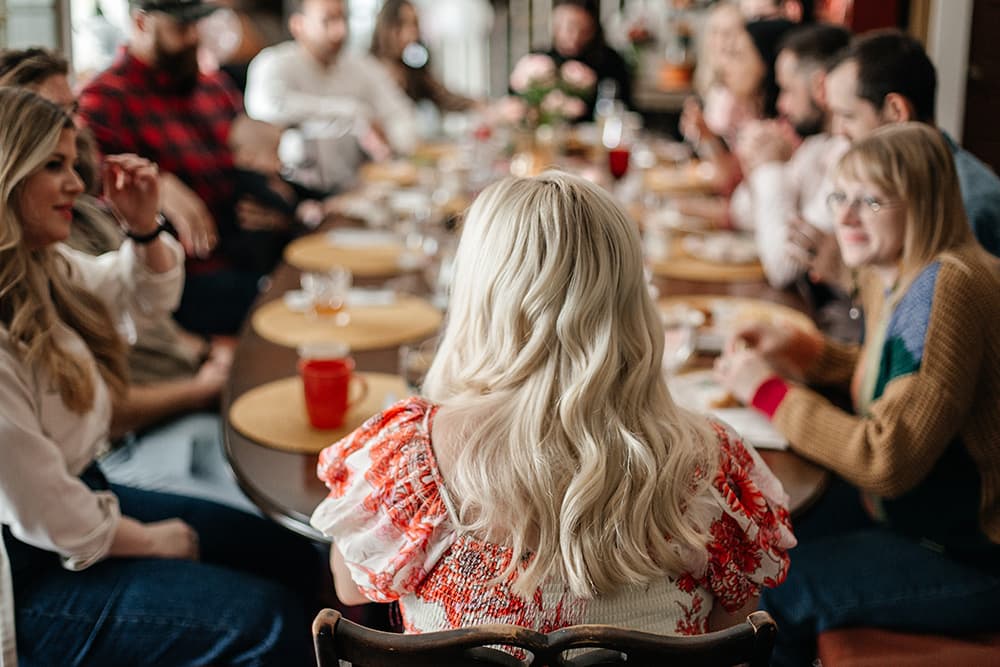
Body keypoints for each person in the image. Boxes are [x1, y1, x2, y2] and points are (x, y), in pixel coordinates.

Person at [309, 171, 795, 635]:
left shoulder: (412, 458)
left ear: (481, 295)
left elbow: (350, 586)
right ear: (628, 298)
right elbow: (731, 630)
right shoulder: (713, 463)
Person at [0, 88, 320, 666]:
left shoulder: (42, 266)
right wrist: (152, 540)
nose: (76, 183)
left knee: (290, 551)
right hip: (30, 576)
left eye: (75, 163)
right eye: (54, 165)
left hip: (85, 492)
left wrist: (144, 227)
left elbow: (139, 298)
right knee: (266, 621)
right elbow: (46, 513)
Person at [714, 123, 1000, 666]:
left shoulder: (952, 283)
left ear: (924, 203)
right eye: (839, 195)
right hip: (914, 518)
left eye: (871, 200)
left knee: (772, 594)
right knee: (755, 538)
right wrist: (804, 352)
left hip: (972, 554)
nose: (844, 216)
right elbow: (907, 385)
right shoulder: (898, 273)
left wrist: (770, 392)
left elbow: (887, 456)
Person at [0, 46, 256, 513]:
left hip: (155, 410)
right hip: (120, 452)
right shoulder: (41, 242)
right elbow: (95, 417)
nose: (75, 129)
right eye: (52, 116)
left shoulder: (60, 237)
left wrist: (145, 229)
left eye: (73, 111)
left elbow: (140, 298)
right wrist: (202, 387)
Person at [77, 0, 297, 336]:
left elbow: (254, 165)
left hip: (250, 252)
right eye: (181, 28)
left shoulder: (215, 88)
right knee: (298, 308)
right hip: (183, 279)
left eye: (197, 25)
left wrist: (278, 208)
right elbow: (85, 187)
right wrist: (156, 184)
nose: (195, 37)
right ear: (141, 24)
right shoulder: (103, 100)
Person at [803, 29, 1000, 270]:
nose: (838, 132)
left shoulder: (969, 203)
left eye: (848, 116)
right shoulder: (888, 180)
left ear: (896, 111)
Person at [244, 0, 419, 188]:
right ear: (298, 25)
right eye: (328, 20)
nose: (341, 31)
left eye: (343, 19)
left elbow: (402, 114)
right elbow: (266, 109)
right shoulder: (273, 63)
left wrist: (392, 141)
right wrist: (354, 112)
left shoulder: (361, 66)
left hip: (355, 189)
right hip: (295, 193)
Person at [728, 23, 851, 289]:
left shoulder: (846, 155)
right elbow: (742, 215)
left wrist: (770, 169)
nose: (782, 104)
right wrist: (756, 167)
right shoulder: (816, 146)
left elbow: (783, 266)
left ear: (820, 86)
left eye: (788, 89)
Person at [369, 0, 479, 113]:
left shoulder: (413, 70)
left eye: (415, 24)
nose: (412, 33)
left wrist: (479, 105)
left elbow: (444, 96)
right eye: (402, 24)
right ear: (386, 26)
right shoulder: (367, 68)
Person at [546, 0, 633, 119]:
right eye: (570, 27)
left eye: (584, 29)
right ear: (556, 26)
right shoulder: (540, 61)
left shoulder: (609, 61)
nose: (576, 36)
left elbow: (623, 106)